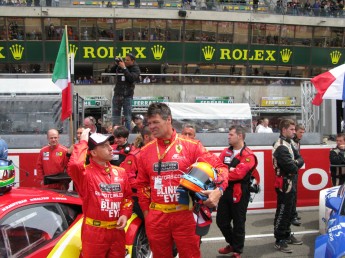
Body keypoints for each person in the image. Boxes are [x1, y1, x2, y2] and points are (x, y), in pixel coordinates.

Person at [136, 102, 228, 257]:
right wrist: (147, 214)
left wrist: (219, 191)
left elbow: (221, 168)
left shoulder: (191, 146)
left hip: (185, 215)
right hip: (156, 217)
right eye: (149, 123)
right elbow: (142, 185)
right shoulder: (145, 152)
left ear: (168, 120)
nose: (151, 127)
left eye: (155, 122)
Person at [67, 129, 133, 257]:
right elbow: (75, 164)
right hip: (94, 233)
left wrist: (125, 214)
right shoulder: (85, 175)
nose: (110, 148)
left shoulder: (120, 172)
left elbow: (127, 198)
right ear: (93, 152)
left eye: (109, 144)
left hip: (117, 232)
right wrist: (83, 142)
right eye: (104, 146)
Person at [217, 125, 258, 258]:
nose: (228, 136)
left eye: (231, 134)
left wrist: (226, 171)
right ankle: (233, 244)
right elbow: (217, 168)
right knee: (221, 221)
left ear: (239, 136)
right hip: (224, 190)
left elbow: (239, 175)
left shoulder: (248, 154)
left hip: (240, 191)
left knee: (239, 222)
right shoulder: (225, 152)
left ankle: (237, 250)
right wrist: (229, 170)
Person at [272, 119, 304, 253]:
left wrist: (296, 162)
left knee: (290, 211)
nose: (293, 132)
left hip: (291, 181)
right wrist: (295, 163)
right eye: (291, 129)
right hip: (284, 182)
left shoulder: (290, 142)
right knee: (283, 211)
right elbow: (292, 167)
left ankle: (286, 234)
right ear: (284, 130)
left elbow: (300, 159)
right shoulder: (280, 146)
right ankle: (279, 240)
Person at [111, 53, 141, 131]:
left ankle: (127, 133)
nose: (125, 61)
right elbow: (111, 72)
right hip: (118, 93)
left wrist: (124, 68)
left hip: (128, 95)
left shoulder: (136, 69)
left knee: (127, 116)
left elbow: (131, 78)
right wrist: (117, 64)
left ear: (133, 61)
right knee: (115, 116)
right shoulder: (121, 66)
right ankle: (115, 132)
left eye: (127, 60)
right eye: (125, 60)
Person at [290, 124, 305, 226]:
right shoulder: (290, 142)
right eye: (300, 132)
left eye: (303, 133)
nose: (302, 134)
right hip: (290, 170)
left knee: (295, 193)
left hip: (295, 169)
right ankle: (292, 216)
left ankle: (293, 213)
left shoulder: (297, 142)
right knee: (292, 193)